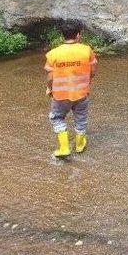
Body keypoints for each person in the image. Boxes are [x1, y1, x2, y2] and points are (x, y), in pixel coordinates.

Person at [44, 21, 97, 158]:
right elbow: (93, 71)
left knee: (57, 117)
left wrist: (50, 89)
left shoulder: (53, 54)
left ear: (62, 35)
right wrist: (88, 82)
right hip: (81, 92)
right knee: (81, 118)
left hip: (61, 94)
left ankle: (64, 147)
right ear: (78, 35)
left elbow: (50, 77)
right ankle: (79, 144)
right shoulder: (87, 50)